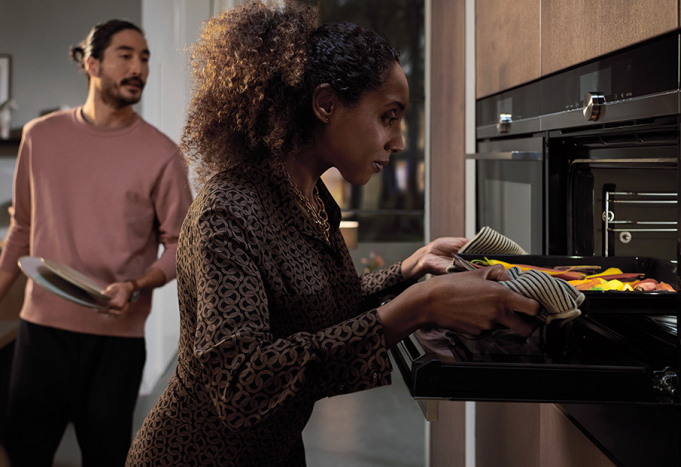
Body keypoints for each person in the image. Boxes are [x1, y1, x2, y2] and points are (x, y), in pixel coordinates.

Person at [126, 2, 540, 466]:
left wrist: (411, 268)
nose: (399, 140)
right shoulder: (228, 212)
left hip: (278, 451)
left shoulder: (313, 198)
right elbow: (241, 385)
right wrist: (419, 306)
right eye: (388, 116)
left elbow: (321, 306)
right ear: (325, 104)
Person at [0, 19, 193, 467]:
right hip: (42, 334)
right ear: (91, 64)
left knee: (106, 458)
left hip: (116, 340)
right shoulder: (39, 137)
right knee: (26, 454)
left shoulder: (163, 155)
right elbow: (22, 230)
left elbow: (180, 247)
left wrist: (137, 284)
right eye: (125, 55)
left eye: (144, 58)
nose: (138, 68)